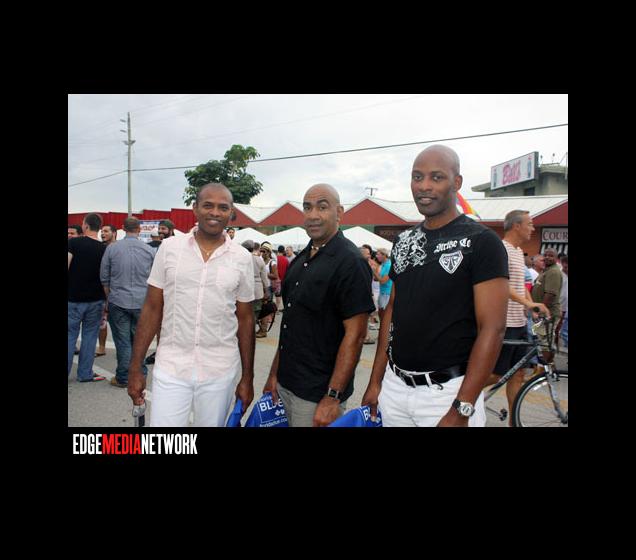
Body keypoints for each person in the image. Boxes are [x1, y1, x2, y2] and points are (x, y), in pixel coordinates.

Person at [361, 145, 509, 427]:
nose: (424, 186)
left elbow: (493, 328)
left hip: (449, 394)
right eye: (417, 177)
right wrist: (376, 382)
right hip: (395, 389)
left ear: (457, 182)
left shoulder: (482, 241)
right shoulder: (404, 241)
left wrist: (462, 408)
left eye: (436, 177)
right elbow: (392, 312)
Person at [128, 183, 255, 427]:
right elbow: (152, 308)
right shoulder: (169, 249)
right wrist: (135, 368)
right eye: (208, 205)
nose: (215, 212)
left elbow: (245, 318)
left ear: (231, 213)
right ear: (195, 208)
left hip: (219, 371)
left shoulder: (242, 258)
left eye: (223, 207)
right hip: (171, 367)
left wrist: (247, 377)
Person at [263, 183, 375, 427]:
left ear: (339, 212)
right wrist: (273, 375)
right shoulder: (300, 261)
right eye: (307, 207)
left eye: (322, 207)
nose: (313, 215)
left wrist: (333, 397)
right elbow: (289, 327)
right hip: (285, 385)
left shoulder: (351, 262)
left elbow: (356, 335)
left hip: (317, 396)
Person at [483, 210, 550, 425]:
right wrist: (528, 303)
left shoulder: (518, 251)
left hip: (519, 322)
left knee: (518, 373)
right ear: (516, 226)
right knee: (497, 373)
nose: (533, 228)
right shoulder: (501, 249)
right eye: (530, 224)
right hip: (505, 323)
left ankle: (514, 422)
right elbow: (501, 283)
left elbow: (520, 285)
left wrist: (530, 306)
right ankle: (464, 393)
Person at [100, 217, 155, 388]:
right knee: (139, 340)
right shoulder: (149, 250)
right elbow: (155, 279)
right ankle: (141, 374)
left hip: (118, 300)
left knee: (122, 341)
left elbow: (104, 277)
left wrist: (108, 299)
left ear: (123, 228)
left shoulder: (112, 248)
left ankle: (123, 377)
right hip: (142, 301)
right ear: (139, 229)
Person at [68, 213, 107, 382]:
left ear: (85, 225)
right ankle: (85, 374)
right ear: (99, 227)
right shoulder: (104, 249)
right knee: (90, 337)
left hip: (73, 298)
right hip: (96, 299)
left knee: (69, 335)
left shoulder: (73, 243)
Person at [531, 248, 563, 364]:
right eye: (546, 255)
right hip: (542, 313)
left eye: (551, 255)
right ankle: (543, 367)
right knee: (542, 342)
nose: (548, 257)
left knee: (545, 343)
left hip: (548, 313)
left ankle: (547, 367)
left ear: (556, 258)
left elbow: (550, 294)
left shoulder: (554, 272)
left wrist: (540, 311)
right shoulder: (546, 270)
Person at [95, 224, 118, 357]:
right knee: (102, 322)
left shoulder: (119, 247)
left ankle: (122, 350)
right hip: (102, 290)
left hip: (117, 290)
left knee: (118, 324)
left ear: (114, 233)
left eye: (106, 231)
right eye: (102, 231)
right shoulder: (100, 248)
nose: (103, 233)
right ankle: (102, 347)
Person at [241, 239, 271, 338]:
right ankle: (250, 333)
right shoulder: (259, 260)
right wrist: (267, 291)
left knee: (243, 312)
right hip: (257, 291)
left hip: (244, 290)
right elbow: (265, 278)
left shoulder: (242, 259)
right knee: (255, 313)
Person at [359, 245, 378, 344]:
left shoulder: (368, 265)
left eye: (369, 253)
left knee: (366, 317)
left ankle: (366, 336)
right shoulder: (360, 265)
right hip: (363, 294)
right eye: (367, 254)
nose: (369, 255)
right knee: (364, 317)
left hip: (368, 294)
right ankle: (365, 336)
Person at [259, 242, 279, 330]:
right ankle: (261, 328)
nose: (262, 253)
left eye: (264, 251)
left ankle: (263, 329)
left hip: (268, 288)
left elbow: (275, 276)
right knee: (261, 308)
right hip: (261, 287)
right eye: (261, 251)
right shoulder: (260, 260)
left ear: (269, 252)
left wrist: (264, 274)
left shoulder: (272, 262)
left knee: (265, 309)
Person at [373, 247, 393, 325]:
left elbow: (383, 281)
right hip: (382, 293)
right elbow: (376, 279)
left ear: (384, 255)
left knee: (384, 317)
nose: (376, 256)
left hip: (387, 294)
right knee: (381, 315)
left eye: (378, 254)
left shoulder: (389, 265)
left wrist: (374, 272)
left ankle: (385, 331)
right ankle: (382, 330)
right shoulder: (383, 265)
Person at [556, 254, 568, 348]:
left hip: (565, 308)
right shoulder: (558, 274)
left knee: (559, 329)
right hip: (556, 306)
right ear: (563, 264)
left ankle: (555, 347)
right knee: (553, 328)